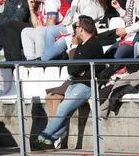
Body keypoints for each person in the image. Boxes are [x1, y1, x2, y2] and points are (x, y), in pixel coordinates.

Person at [32, 17, 104, 149]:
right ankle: (51, 139)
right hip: (76, 82)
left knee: (64, 108)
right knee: (65, 110)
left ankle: (43, 136)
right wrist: (75, 52)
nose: (74, 30)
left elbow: (72, 68)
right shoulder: (83, 45)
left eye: (75, 27)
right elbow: (73, 69)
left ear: (81, 29)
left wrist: (76, 67)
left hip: (86, 84)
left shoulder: (93, 45)